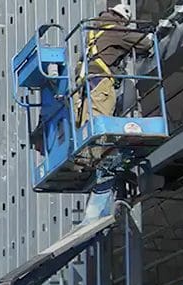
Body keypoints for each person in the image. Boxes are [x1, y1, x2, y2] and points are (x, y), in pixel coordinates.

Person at [72, 2, 151, 167]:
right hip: (101, 80)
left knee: (87, 118)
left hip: (86, 81)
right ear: (122, 19)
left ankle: (84, 155)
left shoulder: (94, 31)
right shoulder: (117, 30)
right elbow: (145, 43)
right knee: (100, 116)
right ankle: (90, 157)